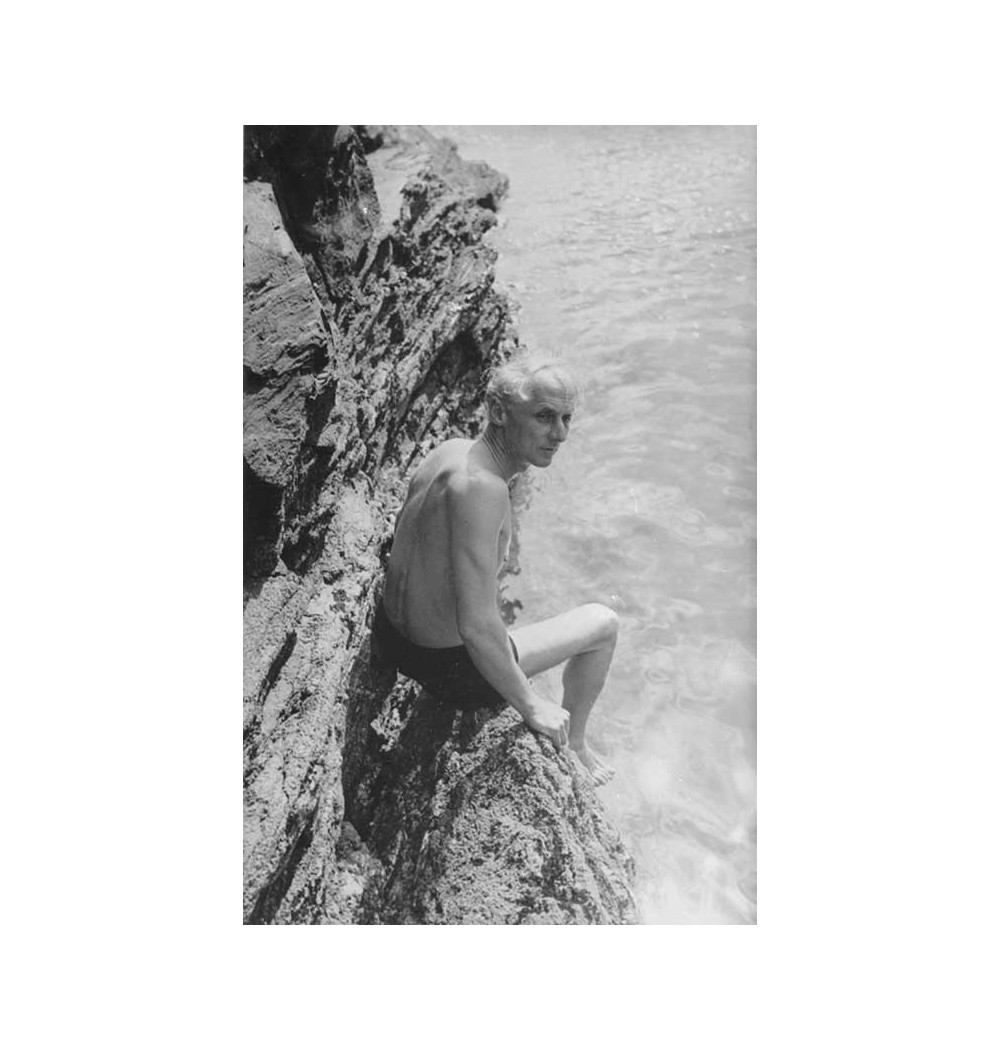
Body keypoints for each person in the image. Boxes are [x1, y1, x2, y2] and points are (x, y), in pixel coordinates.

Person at [373, 353, 618, 784]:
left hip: (392, 638)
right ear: (499, 412)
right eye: (544, 417)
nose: (560, 434)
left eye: (566, 418)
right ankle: (577, 744)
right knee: (603, 624)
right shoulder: (484, 491)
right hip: (447, 670)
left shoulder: (449, 452)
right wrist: (531, 705)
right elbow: (476, 625)